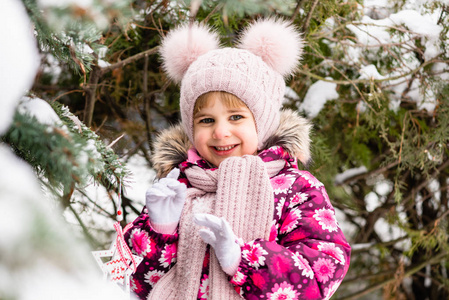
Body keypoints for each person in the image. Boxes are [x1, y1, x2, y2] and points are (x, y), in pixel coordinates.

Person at [124, 18, 351, 300]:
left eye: (236, 117)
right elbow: (133, 285)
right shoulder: (181, 186)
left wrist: (242, 259)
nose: (220, 131)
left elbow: (322, 274)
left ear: (263, 122)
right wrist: (159, 230)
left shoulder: (296, 188)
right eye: (206, 120)